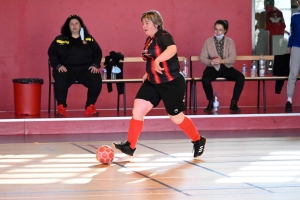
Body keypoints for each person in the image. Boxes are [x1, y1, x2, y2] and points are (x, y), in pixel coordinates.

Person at [113, 10, 206, 158]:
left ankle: (198, 140)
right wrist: (149, 71)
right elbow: (151, 58)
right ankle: (130, 146)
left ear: (156, 24)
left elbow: (172, 49)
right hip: (153, 82)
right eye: (142, 23)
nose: (144, 26)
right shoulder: (149, 40)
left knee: (176, 117)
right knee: (138, 110)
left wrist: (157, 60)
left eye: (147, 23)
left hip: (171, 83)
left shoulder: (163, 36)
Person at [48, 14, 102, 116]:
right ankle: (61, 107)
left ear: (80, 25)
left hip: (85, 69)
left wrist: (95, 65)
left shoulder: (88, 39)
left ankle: (90, 107)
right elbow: (51, 52)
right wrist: (58, 65)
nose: (74, 26)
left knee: (96, 79)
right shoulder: (60, 39)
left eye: (76, 23)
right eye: (71, 24)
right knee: (60, 79)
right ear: (68, 26)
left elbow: (98, 52)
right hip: (66, 68)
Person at [200, 20, 244, 112]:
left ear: (225, 30)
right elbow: (202, 57)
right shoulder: (208, 42)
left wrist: (222, 61)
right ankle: (211, 101)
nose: (217, 32)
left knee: (240, 77)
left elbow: (233, 57)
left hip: (226, 67)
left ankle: (234, 102)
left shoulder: (230, 41)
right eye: (216, 29)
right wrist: (211, 62)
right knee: (205, 79)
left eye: (220, 30)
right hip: (212, 68)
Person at [285, 0, 300, 112]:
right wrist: (289, 45)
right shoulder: (295, 16)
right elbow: (292, 32)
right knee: (293, 73)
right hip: (296, 46)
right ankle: (289, 100)